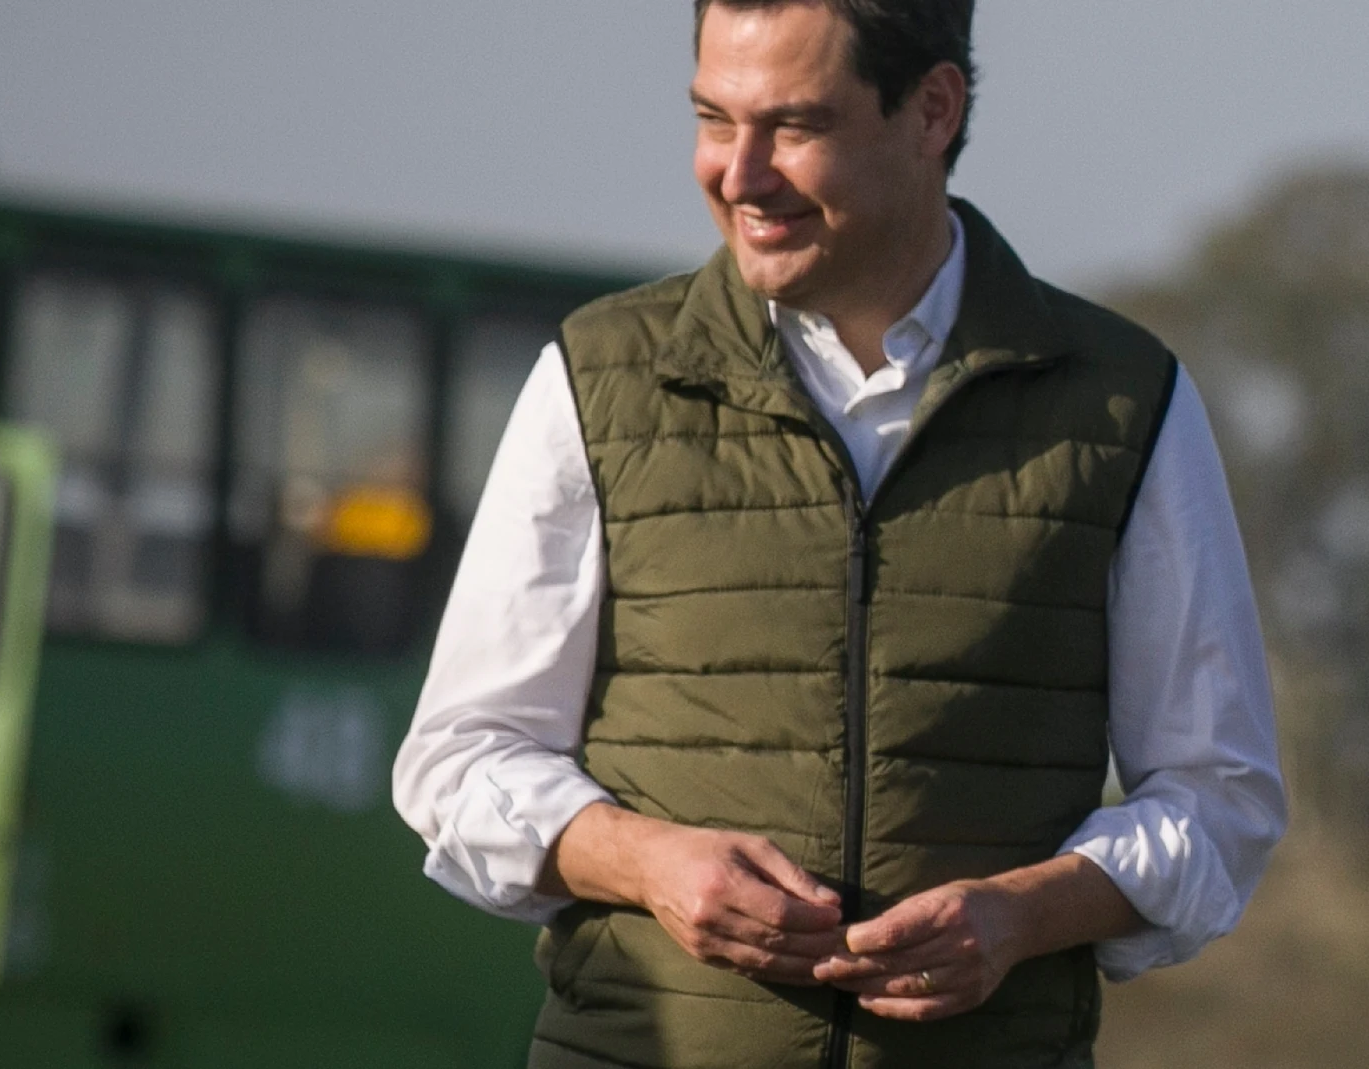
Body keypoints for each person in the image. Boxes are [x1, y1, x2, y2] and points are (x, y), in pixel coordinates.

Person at [392, 2, 1288, 1067]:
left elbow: (1216, 798)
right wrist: (648, 863)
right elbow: (460, 759)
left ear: (932, 110)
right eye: (713, 119)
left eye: (794, 126)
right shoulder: (596, 379)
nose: (739, 172)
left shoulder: (1126, 401)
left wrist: (1022, 914)